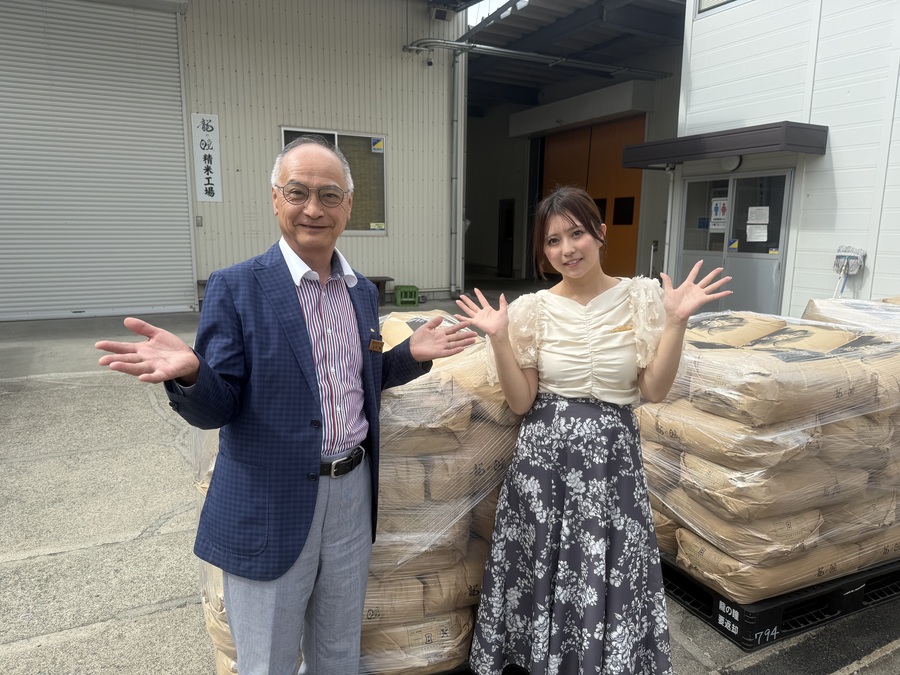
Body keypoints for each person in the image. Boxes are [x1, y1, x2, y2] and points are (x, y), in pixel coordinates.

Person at [95, 135, 475, 675]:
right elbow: (218, 408)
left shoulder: (360, 292)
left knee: (338, 654)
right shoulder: (237, 287)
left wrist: (408, 354)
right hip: (271, 499)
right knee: (268, 661)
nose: (313, 208)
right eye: (298, 193)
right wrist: (194, 373)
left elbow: (354, 383)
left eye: (329, 195)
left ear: (348, 206)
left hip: (351, 494)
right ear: (276, 199)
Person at [455, 185, 731, 675]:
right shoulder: (532, 309)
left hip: (612, 460)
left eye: (576, 233)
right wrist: (498, 338)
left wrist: (675, 323)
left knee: (607, 562)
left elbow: (654, 389)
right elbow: (521, 402)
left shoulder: (641, 298)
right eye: (552, 240)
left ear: (601, 234)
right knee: (544, 562)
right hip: (544, 463)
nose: (567, 249)